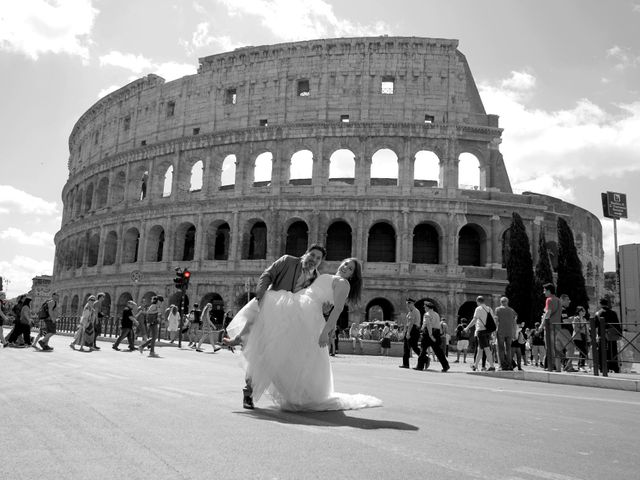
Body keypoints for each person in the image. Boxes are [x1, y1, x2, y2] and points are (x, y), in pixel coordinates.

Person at [228, 258, 381, 411]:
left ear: (353, 275)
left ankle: (297, 392)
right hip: (299, 308)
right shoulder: (326, 276)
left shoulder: (343, 283)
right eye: (346, 263)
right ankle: (241, 339)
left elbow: (338, 309)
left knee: (288, 352)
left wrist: (325, 332)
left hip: (308, 317)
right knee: (281, 346)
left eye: (351, 268)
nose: (346, 267)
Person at [224, 244, 327, 409]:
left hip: (291, 319)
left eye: (318, 258)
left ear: (321, 261)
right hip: (272, 307)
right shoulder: (287, 261)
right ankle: (248, 392)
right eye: (312, 255)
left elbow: (312, 299)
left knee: (282, 357)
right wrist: (261, 295)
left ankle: (240, 338)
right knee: (260, 352)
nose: (314, 260)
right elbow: (267, 275)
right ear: (306, 253)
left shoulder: (316, 276)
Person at [415, 302, 450, 372]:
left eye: (425, 307)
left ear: (427, 307)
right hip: (436, 332)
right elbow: (438, 325)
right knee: (438, 351)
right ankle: (445, 365)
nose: (424, 309)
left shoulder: (427, 314)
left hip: (428, 333)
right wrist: (439, 334)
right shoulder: (436, 314)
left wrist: (430, 335)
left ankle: (420, 366)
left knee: (423, 349)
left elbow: (428, 325)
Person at [465, 296, 495, 372]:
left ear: (478, 301)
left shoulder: (478, 309)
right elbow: (493, 320)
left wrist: (467, 327)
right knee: (480, 349)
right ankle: (475, 365)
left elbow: (474, 319)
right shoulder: (489, 309)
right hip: (488, 331)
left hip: (481, 331)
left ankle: (492, 366)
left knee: (486, 349)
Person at [594, 297, 621, 373]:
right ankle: (614, 367)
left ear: (600, 304)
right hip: (612, 336)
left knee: (602, 351)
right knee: (613, 351)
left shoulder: (598, 313)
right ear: (607, 304)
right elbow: (617, 325)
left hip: (602, 336)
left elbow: (594, 326)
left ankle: (603, 367)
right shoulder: (613, 313)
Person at [542, 283, 561, 371]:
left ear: (549, 291)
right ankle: (557, 366)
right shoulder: (558, 300)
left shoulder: (549, 300)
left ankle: (551, 365)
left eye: (545, 290)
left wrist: (541, 326)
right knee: (556, 347)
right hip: (557, 327)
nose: (543, 292)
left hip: (549, 326)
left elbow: (548, 313)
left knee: (549, 347)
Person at [494, 297, 517, 370]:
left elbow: (496, 321)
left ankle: (502, 365)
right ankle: (510, 365)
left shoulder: (498, 310)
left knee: (501, 349)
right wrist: (514, 333)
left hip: (501, 331)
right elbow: (514, 322)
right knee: (508, 349)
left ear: (501, 302)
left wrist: (494, 332)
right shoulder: (511, 310)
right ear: (507, 302)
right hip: (509, 331)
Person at [399, 298, 421, 368]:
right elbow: (407, 323)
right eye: (406, 304)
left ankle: (425, 358)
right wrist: (404, 332)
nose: (407, 305)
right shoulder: (410, 312)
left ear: (412, 303)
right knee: (406, 348)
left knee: (414, 346)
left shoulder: (415, 311)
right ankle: (405, 364)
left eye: (408, 304)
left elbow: (411, 323)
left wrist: (408, 333)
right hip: (410, 329)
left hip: (413, 330)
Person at [572, 306, 589, 371]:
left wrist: (588, 336)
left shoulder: (584, 319)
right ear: (579, 312)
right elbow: (576, 329)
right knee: (583, 351)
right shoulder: (576, 319)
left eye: (584, 311)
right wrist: (583, 330)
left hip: (584, 337)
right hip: (577, 337)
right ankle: (581, 365)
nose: (584, 312)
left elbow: (586, 329)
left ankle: (581, 365)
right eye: (583, 311)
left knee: (584, 351)